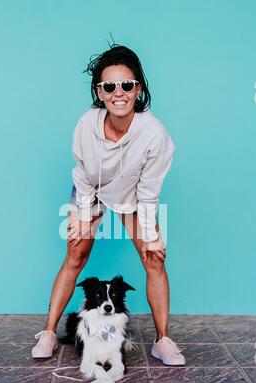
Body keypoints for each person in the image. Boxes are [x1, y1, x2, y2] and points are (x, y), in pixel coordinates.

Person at [32, 43, 185, 366]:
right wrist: (83, 214)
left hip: (134, 195)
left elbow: (148, 191)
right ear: (99, 92)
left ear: (138, 90)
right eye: (110, 86)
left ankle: (163, 340)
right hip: (93, 189)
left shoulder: (155, 135)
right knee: (75, 254)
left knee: (154, 257)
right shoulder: (86, 124)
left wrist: (150, 233)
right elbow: (83, 174)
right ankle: (47, 332)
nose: (119, 93)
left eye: (127, 85)